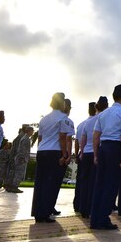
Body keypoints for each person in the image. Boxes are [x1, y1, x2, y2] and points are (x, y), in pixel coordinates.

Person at [91, 84, 121, 230]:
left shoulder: (103, 114)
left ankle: (95, 218)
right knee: (111, 184)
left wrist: (96, 154)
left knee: (100, 184)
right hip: (115, 149)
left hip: (103, 148)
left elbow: (96, 136)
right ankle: (103, 218)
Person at [32, 93, 72, 223]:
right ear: (62, 103)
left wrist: (40, 150)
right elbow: (62, 137)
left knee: (40, 183)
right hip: (55, 152)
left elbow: (40, 138)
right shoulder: (63, 118)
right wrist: (65, 154)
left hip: (42, 150)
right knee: (52, 184)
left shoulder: (44, 119)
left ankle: (38, 212)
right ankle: (46, 212)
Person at [79, 97, 107, 218]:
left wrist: (82, 152)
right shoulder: (104, 119)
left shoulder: (88, 122)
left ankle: (83, 208)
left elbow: (83, 139)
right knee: (95, 182)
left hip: (86, 152)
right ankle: (91, 208)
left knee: (85, 182)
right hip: (97, 151)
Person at [73, 103, 96, 212]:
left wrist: (78, 154)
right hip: (92, 152)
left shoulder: (82, 124)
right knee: (92, 181)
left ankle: (78, 204)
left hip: (83, 153)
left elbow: (77, 142)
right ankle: (88, 206)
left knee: (81, 181)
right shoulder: (97, 121)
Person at [8, 125, 33, 193]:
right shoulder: (25, 139)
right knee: (19, 173)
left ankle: (13, 186)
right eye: (32, 131)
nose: (32, 132)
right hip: (21, 158)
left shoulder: (25, 138)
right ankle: (15, 187)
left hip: (20, 158)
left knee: (17, 172)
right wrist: (23, 158)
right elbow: (23, 150)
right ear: (29, 131)